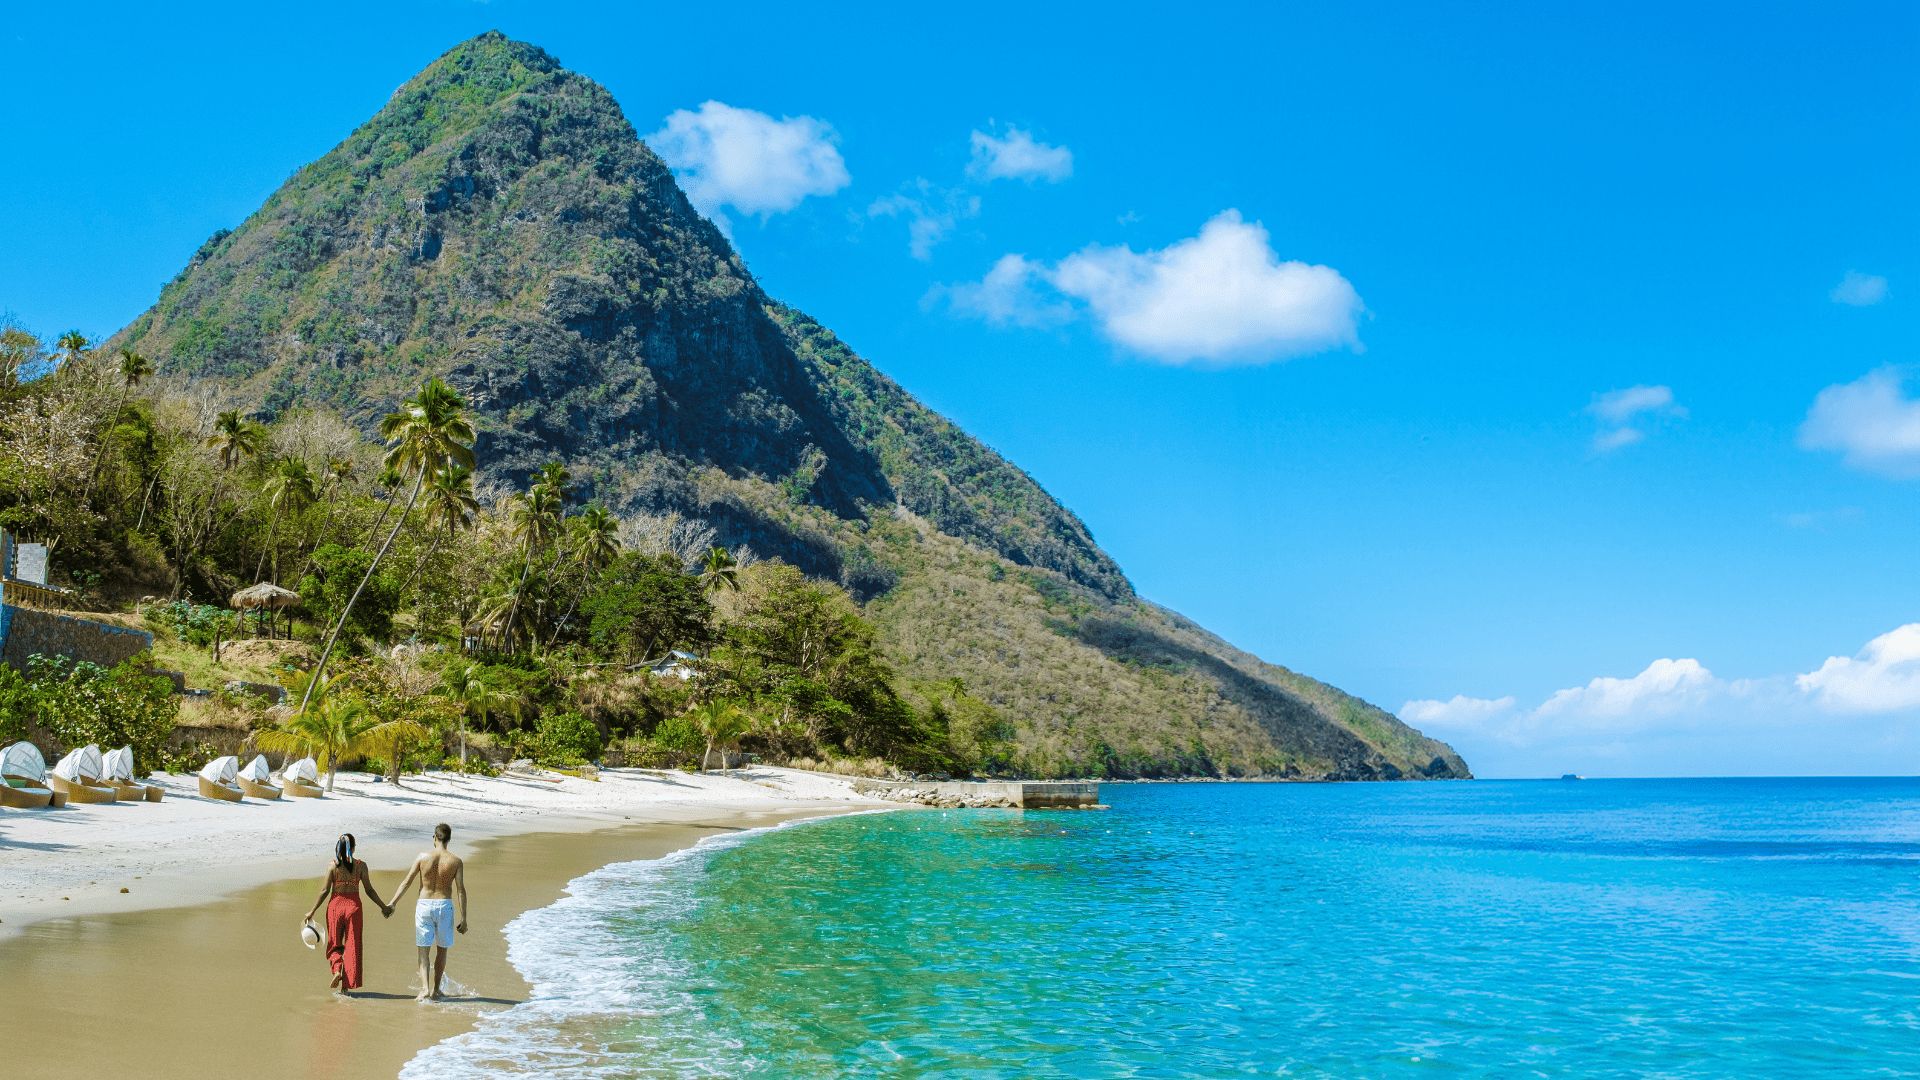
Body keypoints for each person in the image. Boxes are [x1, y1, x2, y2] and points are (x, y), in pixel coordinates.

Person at [302, 833, 392, 994]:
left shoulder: (333, 865)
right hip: (354, 908)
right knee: (353, 947)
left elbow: (324, 891)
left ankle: (337, 969)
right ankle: (346, 988)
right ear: (354, 848)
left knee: (334, 942)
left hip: (335, 907)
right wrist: (383, 906)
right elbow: (369, 890)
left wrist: (312, 910)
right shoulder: (361, 866)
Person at [388, 822, 468, 1001]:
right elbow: (460, 890)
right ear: (448, 839)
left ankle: (424, 988)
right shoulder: (456, 861)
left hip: (424, 905)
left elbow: (406, 882)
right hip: (444, 905)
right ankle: (436, 989)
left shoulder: (422, 857)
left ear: (434, 838)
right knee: (442, 951)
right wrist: (464, 918)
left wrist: (393, 903)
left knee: (423, 951)